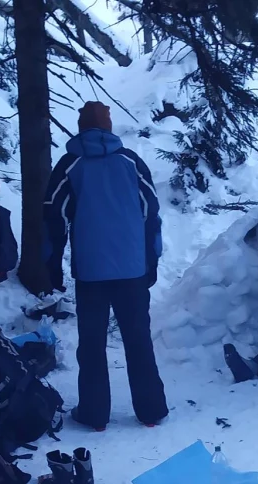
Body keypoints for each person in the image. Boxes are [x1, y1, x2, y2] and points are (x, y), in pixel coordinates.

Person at [42, 101, 168, 431]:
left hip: (91, 271)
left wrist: (52, 263)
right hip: (132, 269)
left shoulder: (70, 164)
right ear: (109, 128)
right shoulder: (131, 162)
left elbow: (54, 216)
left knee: (92, 343)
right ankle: (151, 411)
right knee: (138, 339)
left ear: (81, 128)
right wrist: (152, 258)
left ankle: (95, 415)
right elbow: (150, 213)